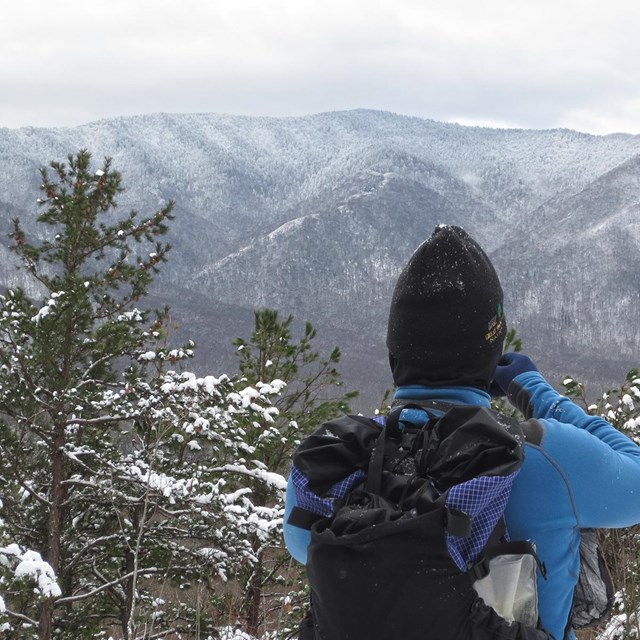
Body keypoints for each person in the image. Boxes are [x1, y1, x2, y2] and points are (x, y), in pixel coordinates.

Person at [283, 224, 640, 640]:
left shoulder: (330, 465)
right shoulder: (545, 454)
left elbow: (299, 545)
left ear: (394, 354)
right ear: (492, 351)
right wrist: (539, 394)